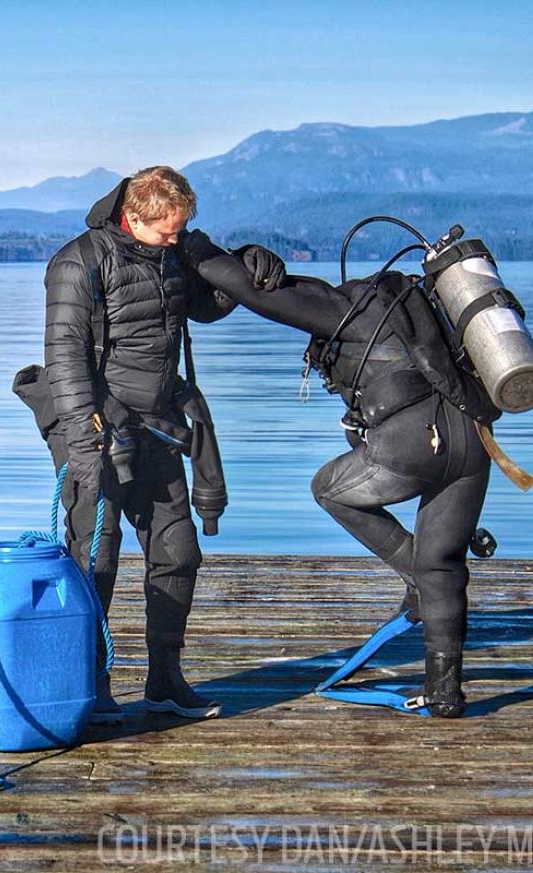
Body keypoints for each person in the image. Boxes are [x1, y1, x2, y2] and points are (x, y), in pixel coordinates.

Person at [178, 231, 500, 717]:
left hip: (413, 443)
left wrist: (192, 245)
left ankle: (417, 577)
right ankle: (444, 692)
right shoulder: (423, 307)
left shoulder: (350, 307)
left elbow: (258, 295)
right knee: (444, 566)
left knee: (330, 489)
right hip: (475, 445)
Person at [41, 166, 278, 722]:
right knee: (94, 560)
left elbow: (205, 303)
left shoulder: (169, 255)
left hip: (159, 428)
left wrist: (248, 262)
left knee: (178, 551)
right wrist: (85, 442)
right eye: (167, 231)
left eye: (181, 230)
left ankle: (164, 680)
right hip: (99, 429)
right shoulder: (79, 262)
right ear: (134, 215)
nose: (176, 240)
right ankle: (89, 685)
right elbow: (65, 360)